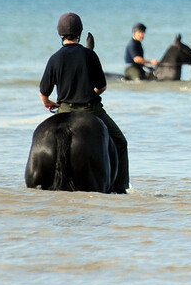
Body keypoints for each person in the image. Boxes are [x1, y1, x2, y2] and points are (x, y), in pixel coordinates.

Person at [39, 12, 129, 193]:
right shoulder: (89, 55)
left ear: (60, 33)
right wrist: (89, 92)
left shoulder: (54, 58)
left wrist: (49, 103)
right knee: (120, 142)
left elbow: (43, 93)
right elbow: (102, 87)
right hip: (90, 110)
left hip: (64, 110)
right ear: (79, 33)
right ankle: (121, 188)